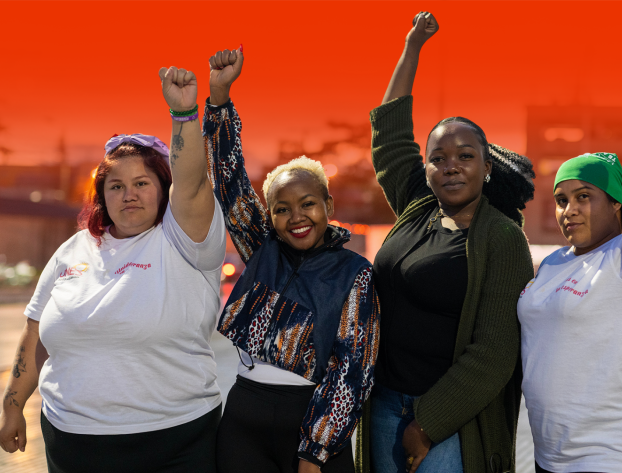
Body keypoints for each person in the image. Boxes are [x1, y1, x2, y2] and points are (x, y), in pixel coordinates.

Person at [0, 65, 226, 473]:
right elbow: (36, 333)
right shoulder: (73, 250)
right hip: (72, 444)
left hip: (174, 441)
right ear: (102, 196)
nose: (129, 194)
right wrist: (12, 406)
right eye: (116, 186)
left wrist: (184, 115)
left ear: (164, 187)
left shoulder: (185, 240)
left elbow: (192, 181)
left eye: (142, 183)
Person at [356, 12, 536, 473]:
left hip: (448, 424)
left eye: (465, 156)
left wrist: (428, 423)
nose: (450, 166)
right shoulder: (418, 206)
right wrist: (412, 47)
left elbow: (495, 352)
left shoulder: (502, 237)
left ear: (487, 167)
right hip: (384, 406)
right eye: (438, 158)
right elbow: (390, 135)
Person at [203, 47, 380, 473]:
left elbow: (354, 369)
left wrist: (314, 451)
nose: (296, 216)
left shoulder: (355, 274)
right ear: (270, 217)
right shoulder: (261, 248)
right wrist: (220, 100)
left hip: (313, 425)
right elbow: (229, 181)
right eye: (281, 209)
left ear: (328, 204)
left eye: (308, 204)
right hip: (244, 417)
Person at [517, 46, 622, 473]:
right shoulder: (552, 264)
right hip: (551, 456)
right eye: (561, 200)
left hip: (615, 456)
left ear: (616, 205)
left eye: (584, 197)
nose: (568, 209)